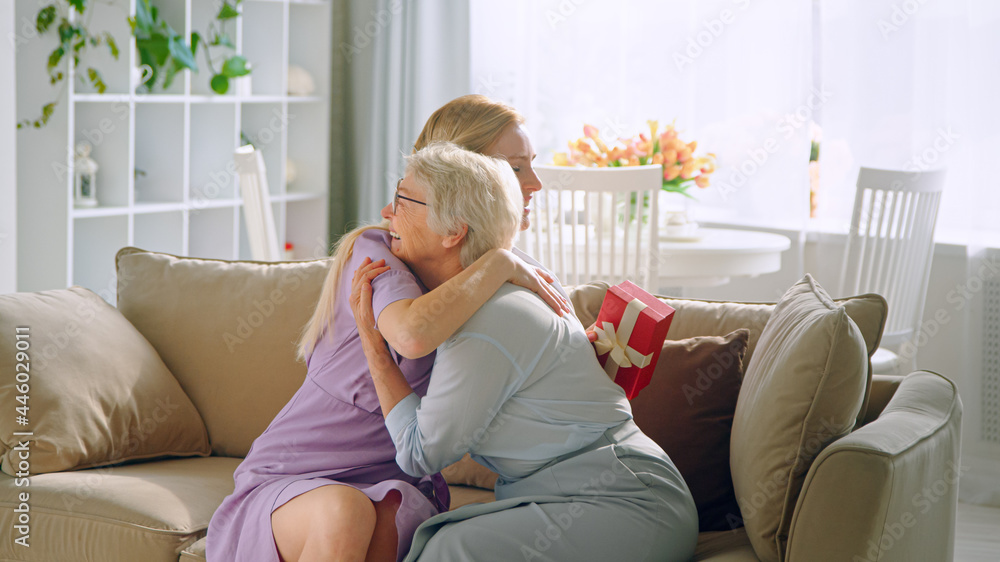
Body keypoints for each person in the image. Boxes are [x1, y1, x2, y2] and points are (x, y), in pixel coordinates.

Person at [206, 95, 572, 562]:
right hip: (296, 475)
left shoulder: (500, 275)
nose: (534, 183)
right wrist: (501, 262)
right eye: (515, 168)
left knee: (379, 515)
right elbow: (410, 333)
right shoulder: (379, 253)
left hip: (396, 481)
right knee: (344, 512)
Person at [352, 142, 699, 561]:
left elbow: (418, 452)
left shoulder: (491, 319)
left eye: (402, 200)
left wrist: (372, 342)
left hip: (627, 504)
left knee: (449, 548)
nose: (387, 213)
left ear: (453, 231)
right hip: (581, 496)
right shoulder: (493, 290)